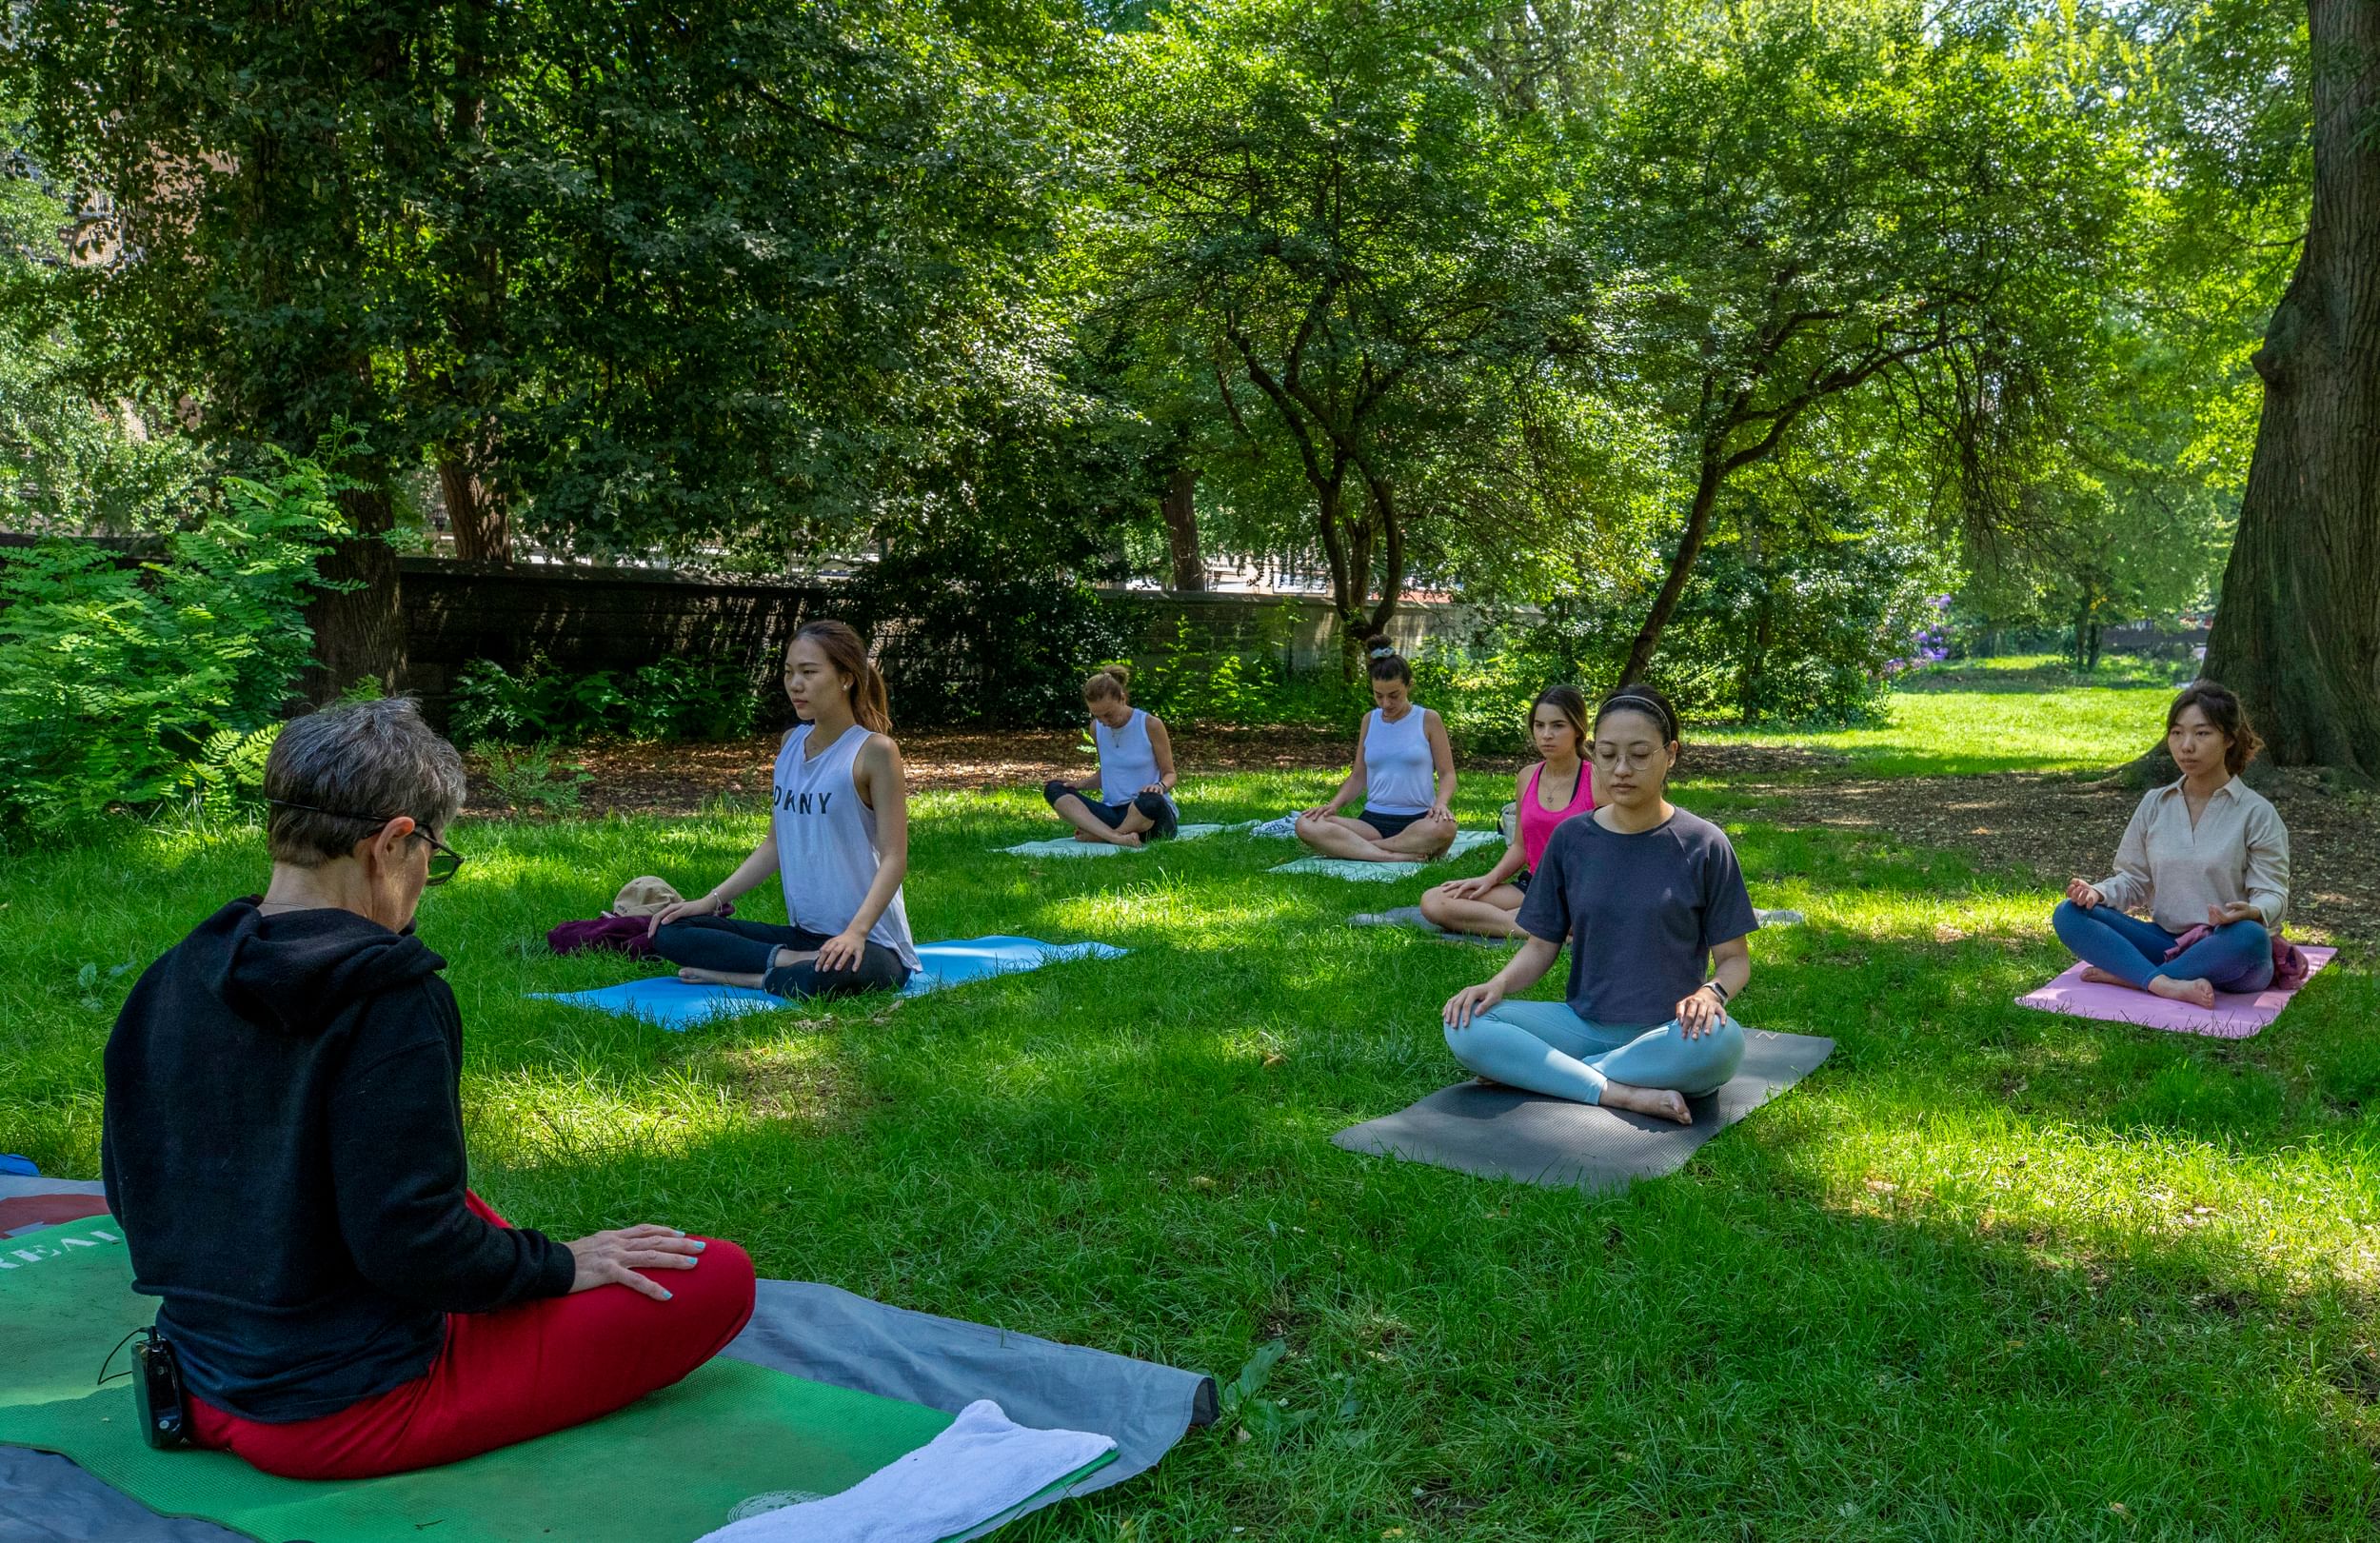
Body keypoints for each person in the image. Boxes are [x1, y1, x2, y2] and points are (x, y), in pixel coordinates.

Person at [102, 698, 756, 1481]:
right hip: (341, 1410)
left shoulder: (171, 976)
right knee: (719, 1276)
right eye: (432, 858)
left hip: (198, 1378)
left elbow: (133, 1190)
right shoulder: (389, 997)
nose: (424, 882)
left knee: (462, 1204)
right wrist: (555, 1264)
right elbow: (411, 1244)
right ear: (391, 843)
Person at [1440, 686, 1755, 1124]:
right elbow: (1540, 946)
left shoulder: (1705, 844)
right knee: (1466, 1025)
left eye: (1639, 755)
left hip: (1671, 1034)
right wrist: (1498, 985)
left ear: (1671, 755)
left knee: (1724, 1044)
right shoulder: (1571, 839)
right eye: (1607, 755)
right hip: (1582, 1026)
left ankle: (1548, 1073)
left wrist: (1711, 993)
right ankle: (1618, 1092)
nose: (1621, 770)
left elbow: (1735, 960)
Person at [646, 620, 922, 998]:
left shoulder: (875, 751)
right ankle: (791, 962)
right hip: (804, 938)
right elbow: (774, 846)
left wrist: (855, 933)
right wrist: (709, 901)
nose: (795, 684)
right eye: (789, 672)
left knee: (832, 973)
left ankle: (753, 977)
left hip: (871, 942)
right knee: (671, 930)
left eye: (809, 672)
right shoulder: (791, 743)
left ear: (845, 678)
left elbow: (894, 858)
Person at [2053, 680, 2290, 1008]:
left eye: (2202, 733)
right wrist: (2097, 893)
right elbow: (2133, 880)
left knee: (2250, 935)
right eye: (2177, 733)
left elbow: (2273, 893)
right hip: (2166, 942)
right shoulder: (2155, 803)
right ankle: (2166, 983)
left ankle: (2135, 977)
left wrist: (2255, 911)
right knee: (2069, 913)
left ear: (2229, 739)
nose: (2186, 746)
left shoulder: (2257, 813)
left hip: (2226, 947)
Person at [1420, 686, 1596, 937]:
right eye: (1539, 726)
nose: (1546, 735)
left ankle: (1528, 922)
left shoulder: (1597, 780)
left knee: (1593, 918)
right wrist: (1489, 879)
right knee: (1435, 900)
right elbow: (1520, 847)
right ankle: (1540, 929)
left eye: (1558, 726)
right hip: (1533, 886)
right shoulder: (1527, 776)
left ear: (1578, 729)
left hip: (1578, 893)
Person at [1295, 635, 1458, 861]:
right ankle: (1393, 855)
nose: (1386, 703)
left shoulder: (1428, 719)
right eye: (1378, 695)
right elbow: (1358, 776)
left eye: (1394, 695)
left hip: (1419, 821)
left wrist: (1441, 804)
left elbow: (1447, 774)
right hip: (1372, 823)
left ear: (1409, 685)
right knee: (1306, 823)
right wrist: (1333, 805)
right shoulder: (1369, 720)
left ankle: (1359, 849)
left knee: (1446, 827)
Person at [1042, 664, 1180, 846]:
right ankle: (1116, 837)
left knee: (1151, 801)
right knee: (1054, 789)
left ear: (1122, 699)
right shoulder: (1096, 728)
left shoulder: (1150, 724)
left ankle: (1102, 836)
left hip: (1148, 814)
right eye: (1097, 716)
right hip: (1113, 813)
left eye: (1108, 715)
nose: (1104, 722)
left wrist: (1159, 786)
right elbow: (1107, 772)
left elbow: (1170, 774)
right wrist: (1078, 784)